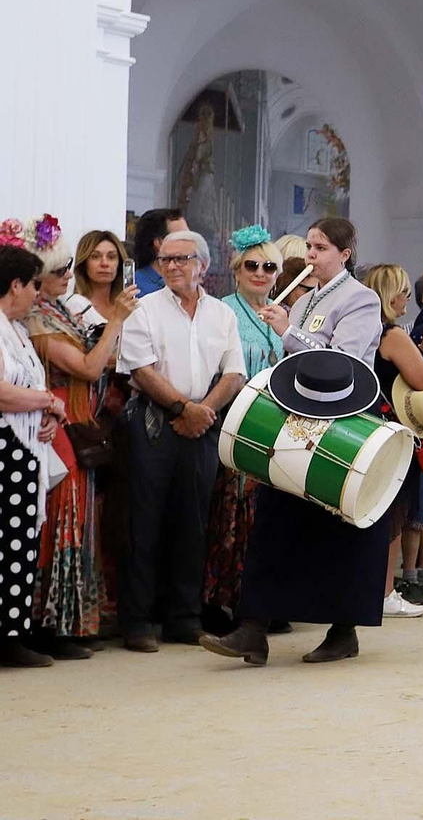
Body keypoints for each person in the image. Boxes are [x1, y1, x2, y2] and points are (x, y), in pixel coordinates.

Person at [202, 217, 385, 665]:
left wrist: (288, 331)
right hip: (300, 423)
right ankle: (253, 628)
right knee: (274, 518)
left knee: (342, 527)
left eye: (321, 247)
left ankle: (344, 630)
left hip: (344, 423)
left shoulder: (361, 299)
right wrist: (290, 328)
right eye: (308, 245)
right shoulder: (305, 302)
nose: (310, 255)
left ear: (344, 255)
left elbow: (341, 361)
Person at [115, 230, 246, 652]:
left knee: (193, 524)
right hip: (154, 421)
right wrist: (181, 409)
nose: (172, 266)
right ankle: (137, 622)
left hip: (203, 423)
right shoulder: (144, 309)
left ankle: (183, 619)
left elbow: (234, 373)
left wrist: (202, 410)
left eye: (181, 259)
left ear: (202, 266)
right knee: (145, 522)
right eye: (166, 259)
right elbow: (140, 369)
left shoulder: (222, 315)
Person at [25, 225, 136, 659]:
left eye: (69, 267)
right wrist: (119, 322)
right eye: (60, 269)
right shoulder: (39, 318)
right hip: (58, 423)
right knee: (62, 520)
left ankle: (68, 622)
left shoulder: (57, 313)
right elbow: (90, 368)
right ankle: (49, 624)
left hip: (76, 421)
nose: (68, 275)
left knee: (79, 518)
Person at [199, 226, 283, 633]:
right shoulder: (222, 310)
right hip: (233, 422)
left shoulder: (280, 314)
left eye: (269, 266)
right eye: (253, 265)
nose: (261, 273)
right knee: (230, 513)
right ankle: (220, 601)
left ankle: (263, 601)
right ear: (236, 270)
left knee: (266, 517)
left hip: (273, 429)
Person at [363, 263, 423, 619]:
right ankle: (384, 592)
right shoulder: (391, 335)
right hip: (394, 431)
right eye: (405, 294)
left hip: (367, 427)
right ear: (392, 295)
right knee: (393, 516)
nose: (408, 301)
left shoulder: (363, 330)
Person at [0, 243, 67, 667]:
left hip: (24, 447)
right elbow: (3, 393)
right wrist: (48, 401)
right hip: (6, 448)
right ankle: (6, 637)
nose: (36, 296)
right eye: (32, 286)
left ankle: (14, 631)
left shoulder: (18, 330)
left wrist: (50, 412)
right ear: (15, 284)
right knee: (8, 542)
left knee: (22, 541)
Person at [129, 208, 186, 298]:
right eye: (182, 237)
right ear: (160, 243)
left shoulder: (186, 282)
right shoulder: (134, 288)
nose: (190, 241)